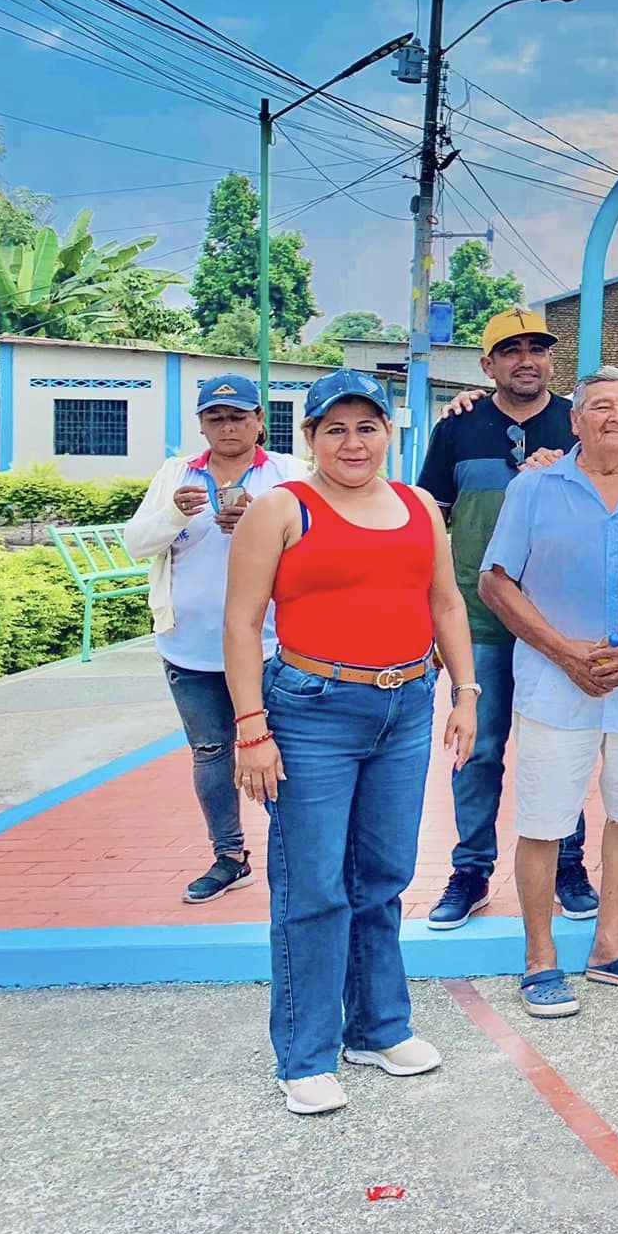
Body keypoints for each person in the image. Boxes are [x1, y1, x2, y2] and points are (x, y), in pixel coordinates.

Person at [223, 370, 478, 1116]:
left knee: (384, 875)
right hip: (311, 711)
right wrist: (251, 729)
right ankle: (305, 1055)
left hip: (405, 705)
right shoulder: (281, 508)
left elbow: (446, 602)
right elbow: (241, 623)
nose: (353, 442)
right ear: (309, 438)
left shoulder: (418, 505)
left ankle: (378, 1027)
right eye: (334, 429)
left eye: (367, 427)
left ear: (388, 433)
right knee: (314, 886)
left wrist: (466, 691)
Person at [478, 368, 618, 1019]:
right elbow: (496, 581)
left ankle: (609, 945)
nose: (617, 417)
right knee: (544, 818)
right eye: (601, 406)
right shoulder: (535, 487)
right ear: (575, 420)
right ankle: (539, 957)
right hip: (555, 682)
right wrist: (562, 650)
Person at [417, 308, 592, 931]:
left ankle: (569, 863)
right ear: (486, 364)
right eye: (511, 351)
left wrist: (561, 475)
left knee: (561, 746)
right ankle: (470, 870)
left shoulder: (577, 422)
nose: (526, 360)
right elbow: (430, 519)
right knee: (479, 748)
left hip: (555, 622)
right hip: (479, 619)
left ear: (552, 360)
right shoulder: (457, 426)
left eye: (537, 349)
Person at [125, 375, 306, 904]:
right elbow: (136, 544)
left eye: (239, 417)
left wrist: (259, 521)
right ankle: (229, 856)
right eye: (216, 418)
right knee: (210, 753)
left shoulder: (288, 474)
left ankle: (298, 855)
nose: (228, 427)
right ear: (202, 425)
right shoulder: (175, 475)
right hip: (190, 648)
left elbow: (319, 542)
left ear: (259, 421)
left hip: (274, 646)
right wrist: (172, 514)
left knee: (289, 753)